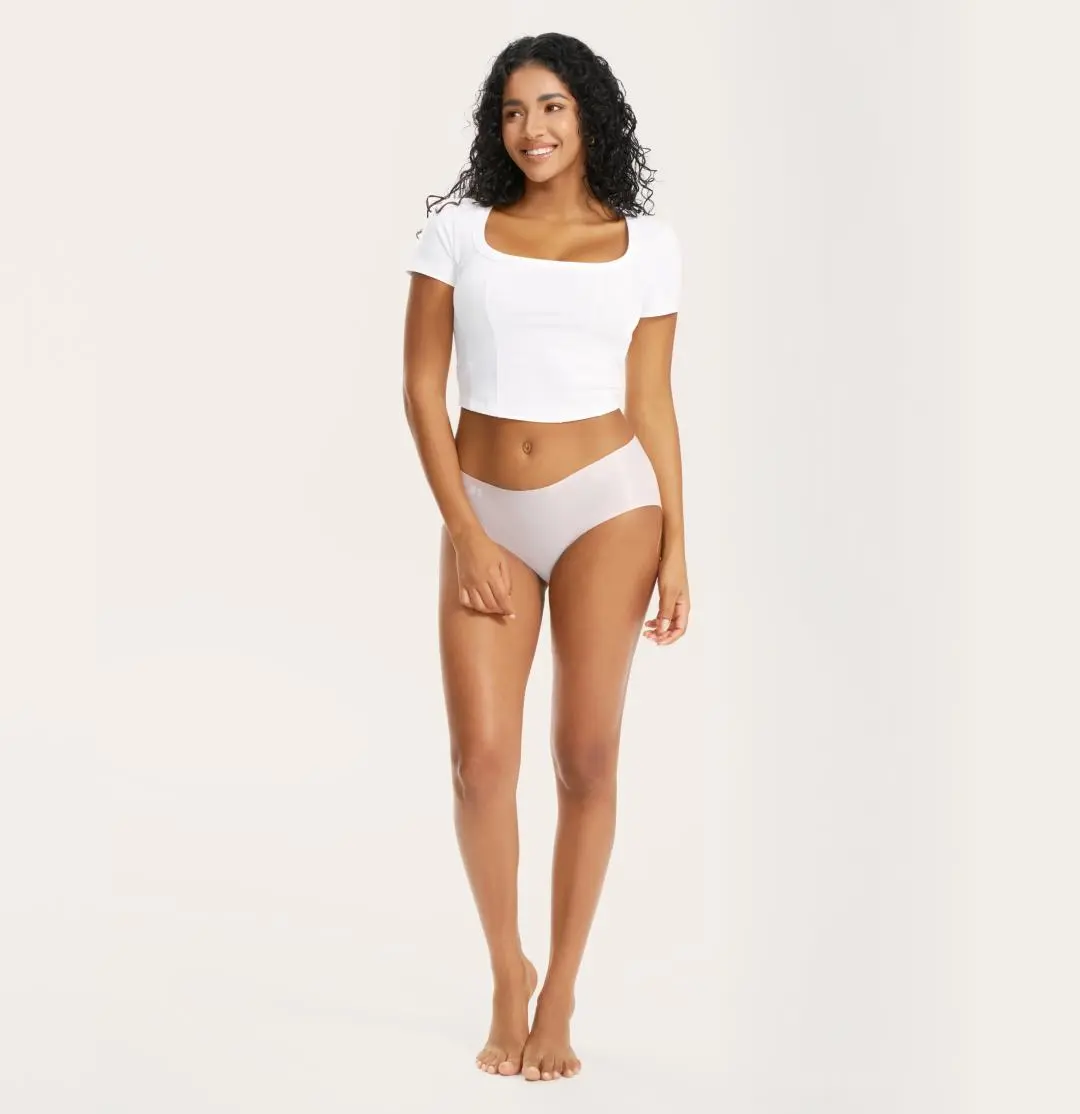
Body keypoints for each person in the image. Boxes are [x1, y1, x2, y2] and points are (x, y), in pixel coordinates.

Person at [402, 32, 689, 1083]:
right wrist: (466, 533)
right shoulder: (455, 234)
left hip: (610, 505)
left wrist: (680, 545)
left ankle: (560, 991)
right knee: (480, 763)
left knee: (586, 757)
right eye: (515, 109)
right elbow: (420, 390)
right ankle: (506, 972)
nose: (534, 128)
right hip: (484, 508)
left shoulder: (646, 244)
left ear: (589, 115)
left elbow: (652, 400)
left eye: (554, 106)